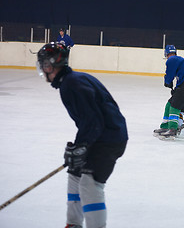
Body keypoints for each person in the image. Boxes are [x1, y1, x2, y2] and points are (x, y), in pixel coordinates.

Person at [36, 42, 128, 228]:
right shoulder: (71, 81)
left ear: (51, 65)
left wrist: (82, 146)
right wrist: (80, 146)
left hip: (109, 140)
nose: (43, 69)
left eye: (44, 64)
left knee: (89, 184)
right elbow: (91, 121)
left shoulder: (72, 84)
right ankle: (74, 224)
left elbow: (94, 121)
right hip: (100, 136)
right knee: (74, 174)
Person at [153, 45, 184, 138]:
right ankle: (165, 126)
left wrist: (167, 82)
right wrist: (176, 89)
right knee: (169, 104)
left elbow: (169, 74)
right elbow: (180, 77)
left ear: (166, 53)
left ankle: (172, 129)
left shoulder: (172, 59)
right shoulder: (178, 60)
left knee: (175, 105)